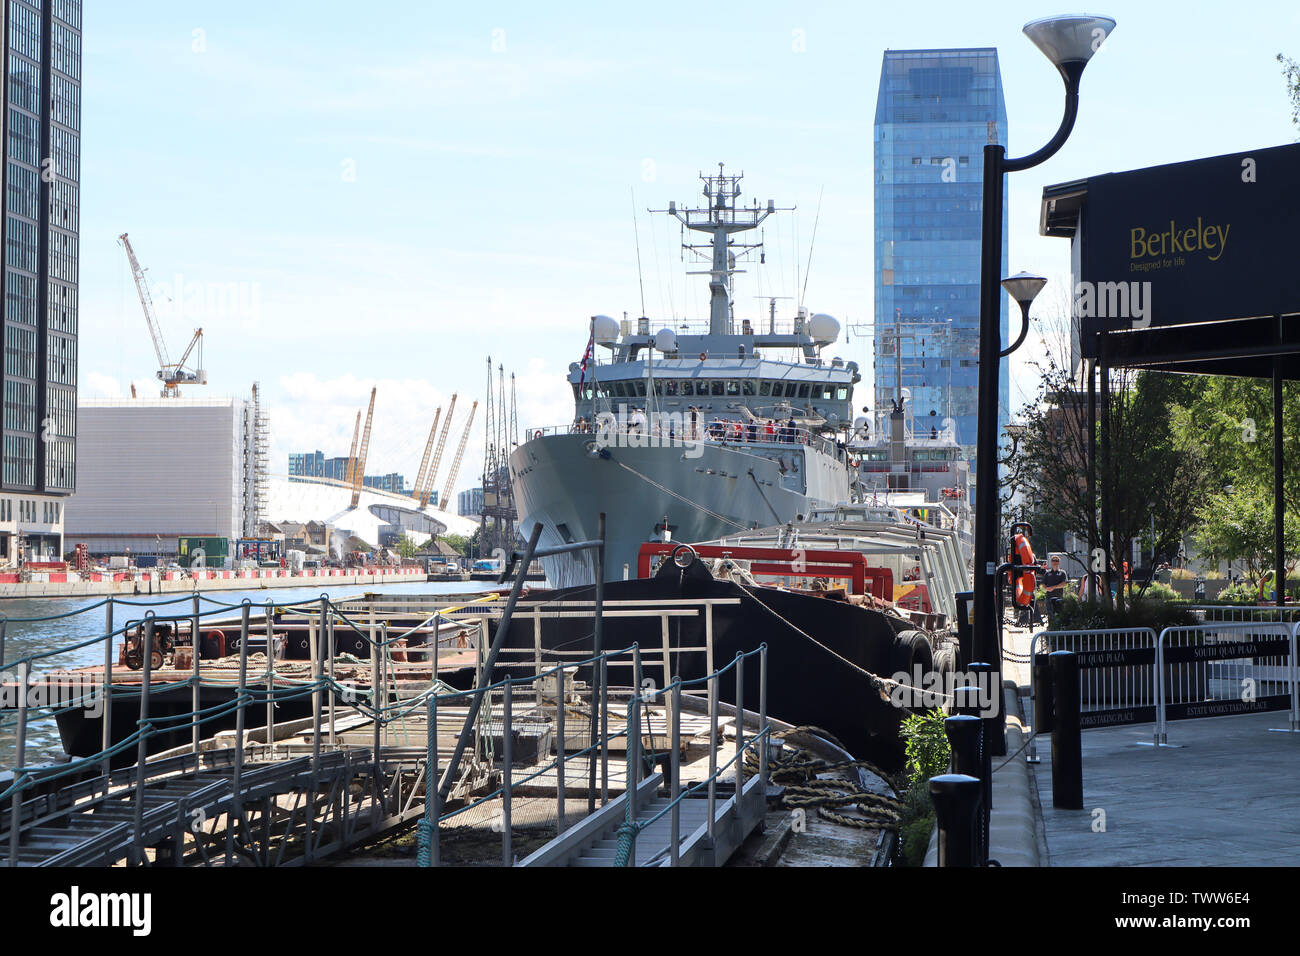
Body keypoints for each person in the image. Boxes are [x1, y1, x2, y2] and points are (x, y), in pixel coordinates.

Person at [1041, 555, 1069, 625]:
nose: (1055, 562)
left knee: (1059, 614)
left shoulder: (1062, 573)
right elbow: (1043, 584)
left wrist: (1053, 587)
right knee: (1050, 614)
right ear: (1051, 562)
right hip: (1049, 597)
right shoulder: (1047, 573)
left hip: (1059, 597)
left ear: (1059, 562)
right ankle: (1051, 628)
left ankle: (1058, 629)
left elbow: (1064, 584)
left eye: (1056, 561)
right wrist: (1046, 588)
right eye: (1053, 560)